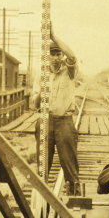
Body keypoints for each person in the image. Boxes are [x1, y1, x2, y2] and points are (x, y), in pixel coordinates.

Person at [32, 25, 80, 195]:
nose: (55, 58)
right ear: (48, 56)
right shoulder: (40, 76)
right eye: (52, 54)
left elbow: (72, 56)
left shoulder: (69, 72)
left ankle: (73, 191)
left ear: (61, 56)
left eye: (58, 54)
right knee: (43, 160)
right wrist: (42, 93)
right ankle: (41, 192)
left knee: (69, 160)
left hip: (64, 121)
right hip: (46, 120)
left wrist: (54, 36)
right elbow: (35, 104)